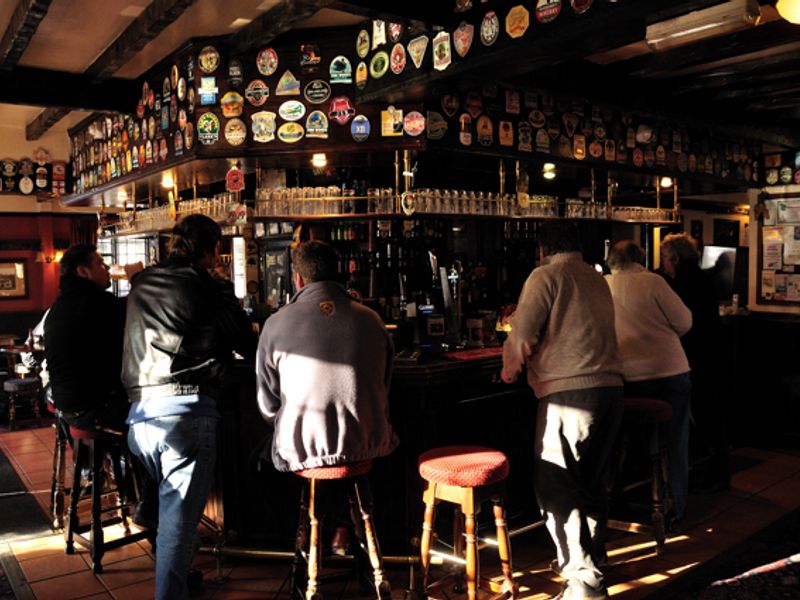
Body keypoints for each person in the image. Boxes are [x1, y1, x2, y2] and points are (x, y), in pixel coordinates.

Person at [122, 215, 257, 600]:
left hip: (139, 419)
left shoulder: (142, 282)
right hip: (185, 416)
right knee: (177, 527)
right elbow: (248, 347)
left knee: (170, 515)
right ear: (213, 249)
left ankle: (165, 541)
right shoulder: (212, 287)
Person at [501, 222, 623, 600]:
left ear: (543, 249)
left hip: (570, 394)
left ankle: (583, 582)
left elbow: (521, 335)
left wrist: (509, 370)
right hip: (611, 390)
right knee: (591, 485)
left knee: (558, 487)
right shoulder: (596, 277)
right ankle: (592, 564)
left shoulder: (546, 275)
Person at [256, 239, 397, 473]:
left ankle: (303, 509)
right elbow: (384, 385)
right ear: (338, 274)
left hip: (299, 453)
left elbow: (268, 406)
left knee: (257, 464)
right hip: (369, 444)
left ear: (298, 278)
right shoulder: (372, 319)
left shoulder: (275, 323)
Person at [605, 240, 693, 525]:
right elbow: (685, 322)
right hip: (671, 370)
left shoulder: (602, 285)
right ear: (640, 258)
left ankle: (614, 501)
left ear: (612, 261)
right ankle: (676, 507)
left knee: (621, 441)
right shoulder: (653, 282)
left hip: (628, 379)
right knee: (675, 441)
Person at [660, 233, 729, 492]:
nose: (664, 264)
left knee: (703, 416)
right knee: (712, 415)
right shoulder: (702, 278)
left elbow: (680, 324)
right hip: (711, 355)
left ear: (675, 259)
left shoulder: (681, 283)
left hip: (696, 357)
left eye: (665, 258)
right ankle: (715, 473)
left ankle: (709, 475)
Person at [44, 244, 131, 431]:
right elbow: (137, 307)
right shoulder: (93, 302)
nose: (107, 268)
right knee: (160, 417)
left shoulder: (63, 303)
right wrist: (138, 278)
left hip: (69, 406)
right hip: (93, 408)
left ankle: (112, 460)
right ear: (83, 271)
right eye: (100, 263)